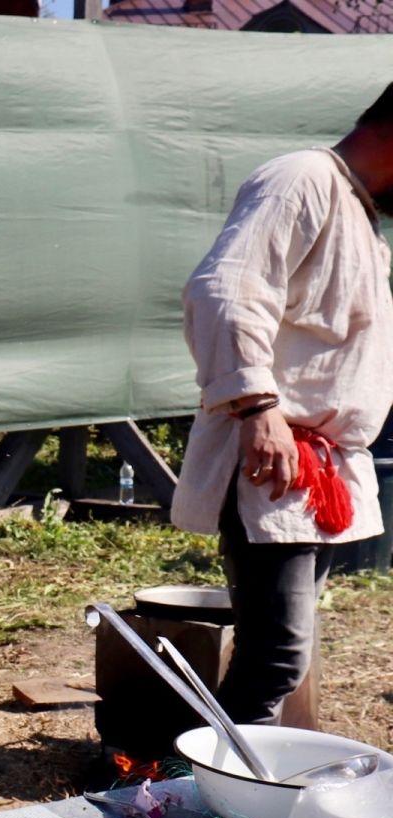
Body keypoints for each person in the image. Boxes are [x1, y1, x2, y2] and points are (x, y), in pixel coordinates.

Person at [173, 84, 393, 725]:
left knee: (277, 654)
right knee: (274, 658)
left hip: (314, 470)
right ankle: (210, 789)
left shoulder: (358, 210)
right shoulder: (302, 178)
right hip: (275, 460)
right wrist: (257, 406)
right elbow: (225, 288)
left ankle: (235, 778)